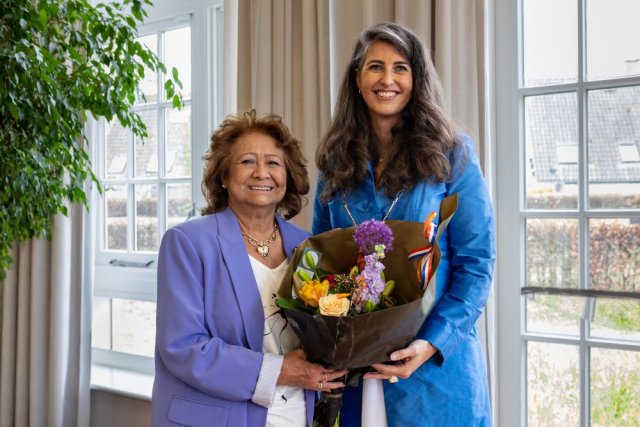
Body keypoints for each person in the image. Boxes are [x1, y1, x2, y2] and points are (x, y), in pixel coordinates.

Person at [313, 23, 496, 426]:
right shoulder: (334, 163)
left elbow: (476, 264)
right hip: (356, 372)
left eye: (400, 68)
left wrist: (431, 343)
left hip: (435, 373)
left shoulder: (452, 154)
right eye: (375, 67)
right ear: (357, 78)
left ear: (417, 79)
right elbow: (321, 261)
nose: (387, 79)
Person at [152, 110, 347, 427]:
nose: (261, 173)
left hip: (297, 415)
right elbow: (183, 347)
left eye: (273, 163)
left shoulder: (308, 246)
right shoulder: (188, 243)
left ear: (287, 176)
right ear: (224, 176)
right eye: (246, 162)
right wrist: (281, 370)